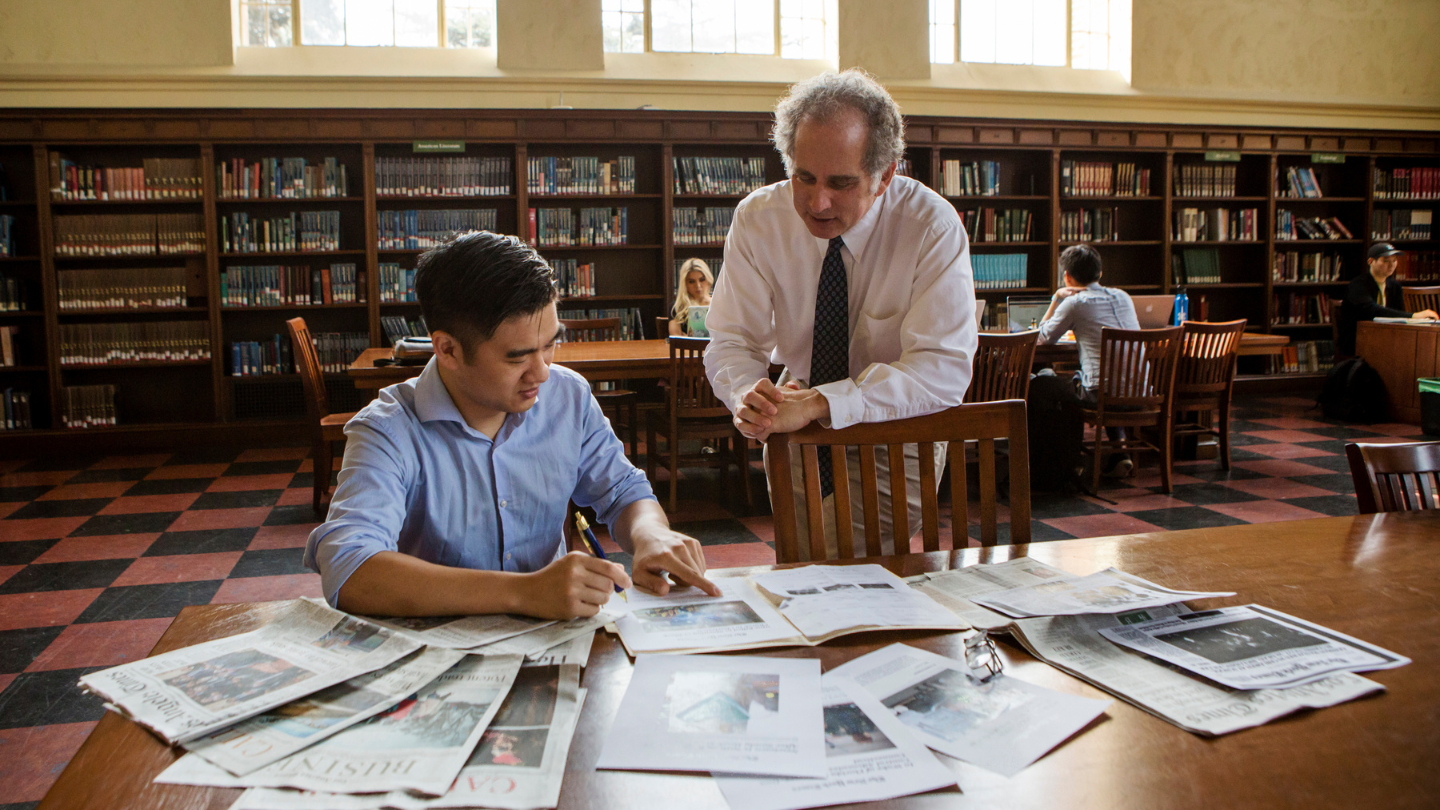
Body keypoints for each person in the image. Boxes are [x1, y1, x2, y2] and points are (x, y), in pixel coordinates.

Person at [305, 231, 718, 620]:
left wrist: (649, 534)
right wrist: (523, 592)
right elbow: (348, 567)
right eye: (517, 357)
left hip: (554, 643)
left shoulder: (567, 397)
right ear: (447, 349)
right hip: (439, 652)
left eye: (551, 344)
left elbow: (623, 490)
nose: (541, 372)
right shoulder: (389, 430)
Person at [703, 70, 977, 556]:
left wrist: (823, 402)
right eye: (803, 177)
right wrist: (749, 395)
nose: (817, 202)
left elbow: (942, 370)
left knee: (853, 567)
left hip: (899, 422)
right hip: (794, 416)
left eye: (841, 183)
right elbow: (730, 339)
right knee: (800, 560)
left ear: (886, 175)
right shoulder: (758, 218)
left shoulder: (930, 226)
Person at [1036, 244, 1141, 478]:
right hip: (1141, 392)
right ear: (1100, 273)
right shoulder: (1123, 296)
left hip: (1102, 394)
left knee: (1048, 384)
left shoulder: (1075, 303)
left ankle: (1070, 462)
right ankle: (1120, 452)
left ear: (1067, 277)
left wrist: (1056, 299)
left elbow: (1042, 338)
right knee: (1104, 379)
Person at [1337, 242, 1438, 356]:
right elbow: (1373, 311)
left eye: (1394, 260)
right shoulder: (1358, 285)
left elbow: (1399, 315)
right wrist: (1413, 316)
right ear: (1371, 261)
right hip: (1359, 342)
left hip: (1387, 340)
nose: (1391, 265)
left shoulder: (1394, 286)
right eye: (1385, 261)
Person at [670, 258, 714, 336]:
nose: (698, 286)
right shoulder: (677, 308)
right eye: (691, 281)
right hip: (687, 348)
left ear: (708, 280)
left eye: (702, 280)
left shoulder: (718, 304)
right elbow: (676, 339)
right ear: (685, 284)